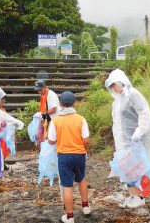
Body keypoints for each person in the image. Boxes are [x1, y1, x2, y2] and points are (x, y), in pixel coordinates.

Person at [105, 69, 150, 208]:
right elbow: (119, 122)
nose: (113, 89)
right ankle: (133, 196)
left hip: (134, 141)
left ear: (121, 82)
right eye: (111, 87)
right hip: (123, 142)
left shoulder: (133, 94)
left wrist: (138, 132)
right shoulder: (118, 101)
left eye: (114, 85)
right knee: (126, 170)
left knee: (135, 170)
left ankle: (140, 197)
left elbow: (144, 114)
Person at [48, 91, 91, 223]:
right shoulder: (81, 119)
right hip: (79, 154)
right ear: (74, 103)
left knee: (67, 185)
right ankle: (86, 207)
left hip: (64, 156)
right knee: (81, 179)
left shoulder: (55, 121)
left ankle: (70, 216)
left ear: (60, 105)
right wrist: (84, 150)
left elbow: (51, 140)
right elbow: (86, 140)